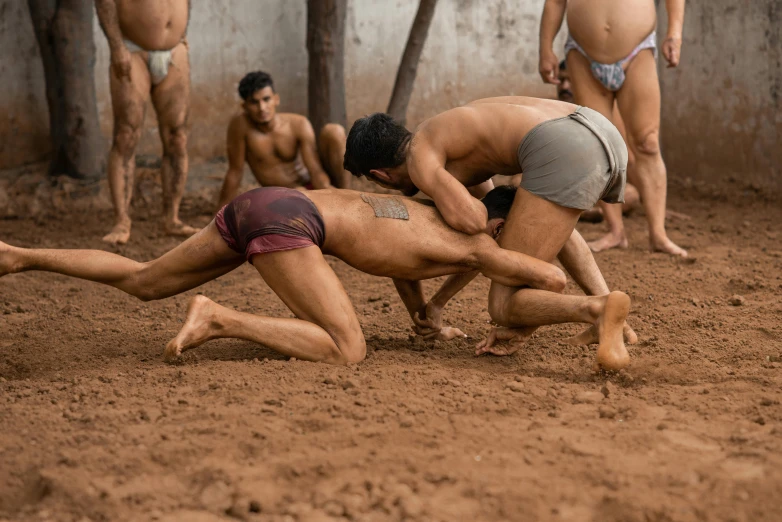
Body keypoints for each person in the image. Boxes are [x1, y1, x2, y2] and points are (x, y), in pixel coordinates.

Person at [0, 186, 632, 370]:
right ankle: (218, 318)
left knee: (141, 279)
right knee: (346, 349)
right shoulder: (475, 243)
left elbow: (399, 265)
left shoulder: (424, 211)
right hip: (293, 224)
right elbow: (545, 277)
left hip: (266, 199)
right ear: (495, 225)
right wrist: (536, 259)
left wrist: (429, 311)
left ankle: (18, 255)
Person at [343, 97, 636, 361]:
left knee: (503, 305)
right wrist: (439, 301)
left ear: (380, 175)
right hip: (599, 129)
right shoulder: (443, 133)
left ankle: (598, 309)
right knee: (539, 220)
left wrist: (437, 223)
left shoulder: (420, 157)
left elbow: (474, 223)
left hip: (562, 146)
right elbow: (496, 222)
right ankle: (615, 322)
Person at [539, 0, 687, 256]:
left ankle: (658, 235)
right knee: (600, 144)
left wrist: (674, 33)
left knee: (647, 142)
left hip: (637, 50)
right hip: (582, 52)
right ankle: (616, 231)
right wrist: (545, 48)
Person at [95, 0, 198, 245]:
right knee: (126, 134)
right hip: (132, 50)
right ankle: (122, 221)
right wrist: (116, 45)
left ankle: (171, 218)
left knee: (177, 136)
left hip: (175, 50)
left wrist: (182, 30)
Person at [216, 71, 350, 208]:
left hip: (312, 186)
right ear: (244, 106)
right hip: (283, 196)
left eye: (266, 99)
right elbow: (235, 172)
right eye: (254, 102)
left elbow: (315, 170)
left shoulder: (298, 123)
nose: (262, 108)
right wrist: (218, 214)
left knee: (334, 131)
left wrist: (329, 191)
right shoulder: (240, 127)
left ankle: (348, 195)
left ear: (276, 99)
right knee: (299, 192)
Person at [556, 60, 641, 223]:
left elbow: (628, 159)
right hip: (557, 185)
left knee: (630, 195)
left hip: (594, 188)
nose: (565, 86)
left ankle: (578, 213)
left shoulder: (606, 112)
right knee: (517, 183)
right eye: (561, 80)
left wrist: (652, 202)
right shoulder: (550, 108)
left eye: (570, 81)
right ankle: (582, 212)